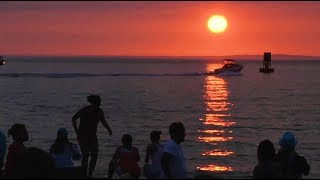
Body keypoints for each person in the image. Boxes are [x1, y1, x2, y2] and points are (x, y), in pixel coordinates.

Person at [72, 95, 112, 177]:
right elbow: (74, 118)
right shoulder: (84, 110)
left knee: (95, 154)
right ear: (93, 103)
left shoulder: (100, 111)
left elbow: (103, 121)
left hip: (93, 137)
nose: (99, 105)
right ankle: (83, 174)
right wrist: (76, 131)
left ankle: (89, 174)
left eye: (100, 103)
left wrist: (108, 128)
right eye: (97, 103)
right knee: (85, 155)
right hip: (82, 136)